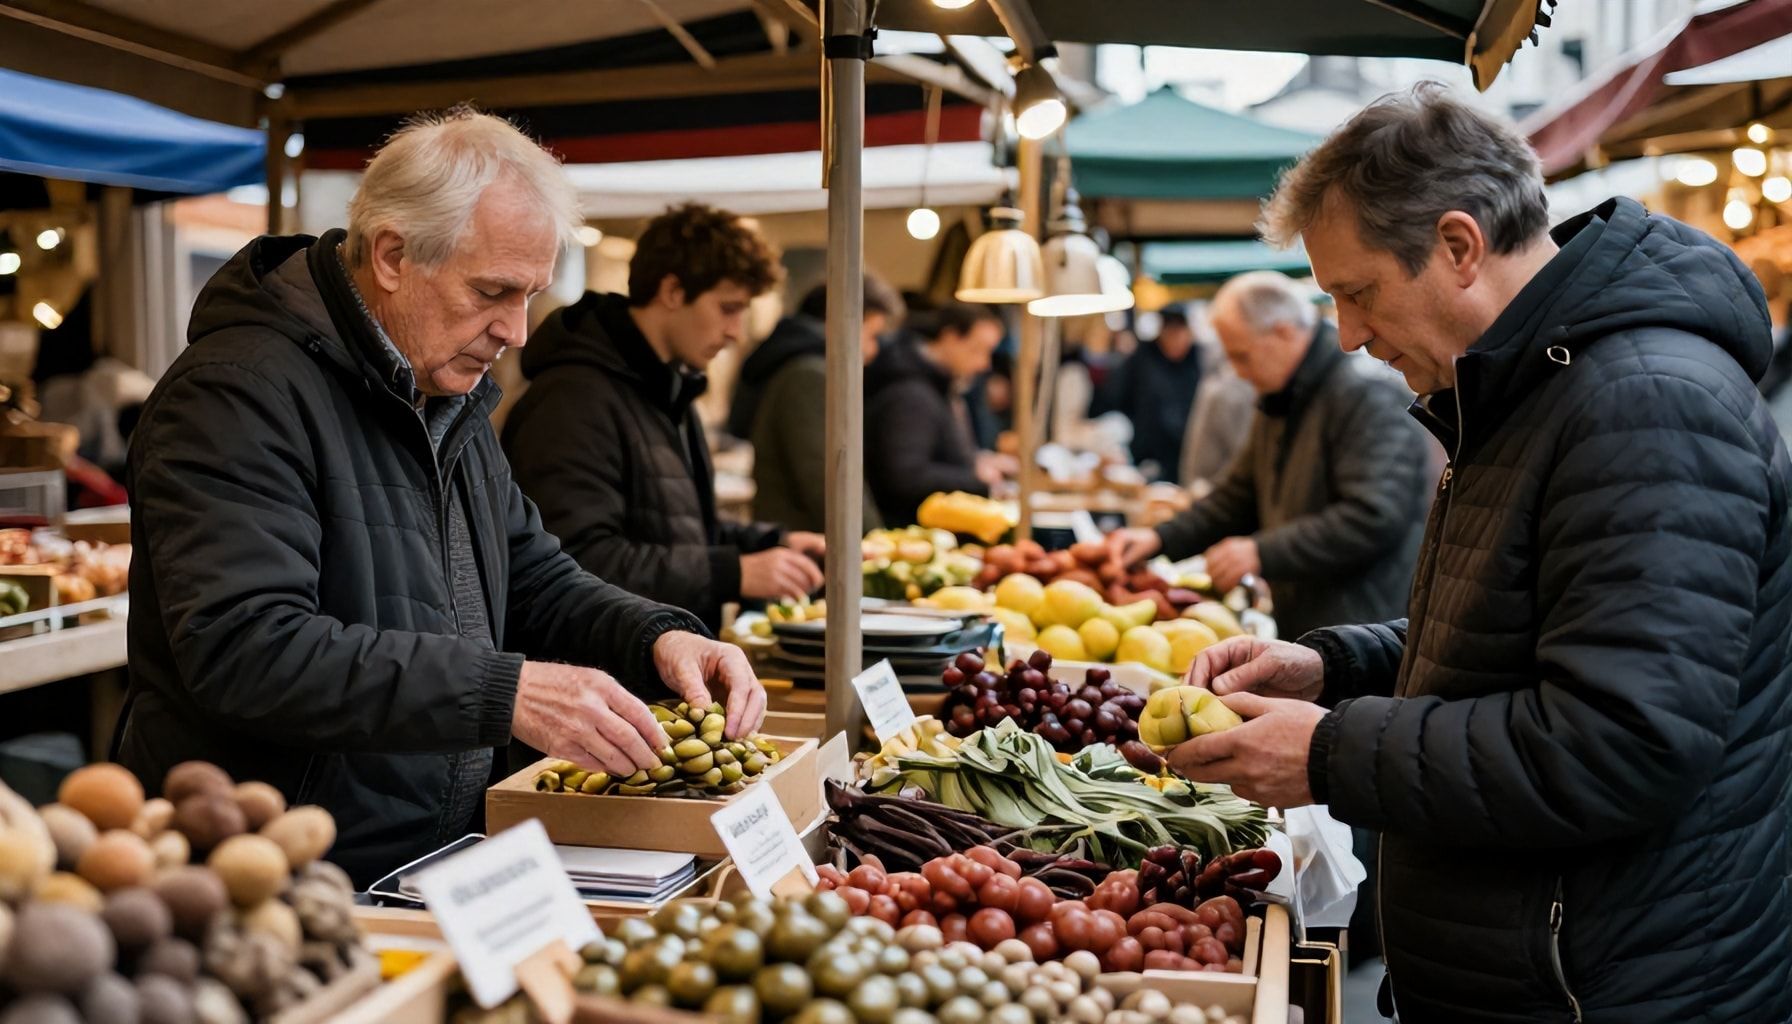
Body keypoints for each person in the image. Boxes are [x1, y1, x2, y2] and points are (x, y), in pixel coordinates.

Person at [1170, 85, 1792, 1023]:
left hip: (1610, 987)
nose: (1348, 335)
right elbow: (1518, 633)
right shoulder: (1535, 388)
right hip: (1540, 968)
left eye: (1357, 291)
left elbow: (1621, 742)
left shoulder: (1644, 402)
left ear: (1459, 246)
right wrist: (1330, 666)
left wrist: (1332, 752)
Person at [116, 109, 766, 887]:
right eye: (493, 291)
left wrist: (655, 638)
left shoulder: (444, 392)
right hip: (277, 871)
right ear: (392, 255)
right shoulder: (236, 394)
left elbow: (532, 575)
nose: (518, 331)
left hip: (433, 859)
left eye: (530, 294)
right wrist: (507, 691)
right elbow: (246, 647)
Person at [502, 203, 824, 632]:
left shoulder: (668, 389)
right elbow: (575, 563)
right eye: (728, 308)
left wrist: (770, 544)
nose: (737, 332)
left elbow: (675, 529)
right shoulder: (571, 400)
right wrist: (734, 571)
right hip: (602, 677)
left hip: (659, 662)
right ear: (672, 291)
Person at [1107, 271, 1429, 641]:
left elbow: (1373, 516)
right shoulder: (1279, 397)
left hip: (1366, 630)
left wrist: (1261, 551)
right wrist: (1159, 539)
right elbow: (1237, 495)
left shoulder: (1364, 393)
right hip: (1312, 624)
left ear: (1282, 332)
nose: (1240, 374)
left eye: (1242, 357)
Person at [728, 275, 905, 533]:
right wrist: (874, 543)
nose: (873, 350)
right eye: (872, 335)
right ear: (843, 323)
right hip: (808, 547)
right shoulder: (811, 375)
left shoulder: (797, 363)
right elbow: (830, 480)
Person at [864, 302, 1011, 525]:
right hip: (909, 531)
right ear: (951, 337)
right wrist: (975, 478)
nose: (984, 364)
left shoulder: (939, 387)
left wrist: (977, 461)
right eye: (978, 349)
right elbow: (907, 475)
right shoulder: (911, 394)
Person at [1094, 305, 1203, 483]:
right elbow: (1113, 401)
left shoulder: (1197, 361)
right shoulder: (1141, 359)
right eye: (1171, 332)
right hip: (1145, 462)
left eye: (1181, 332)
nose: (1176, 340)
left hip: (1186, 461)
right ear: (1161, 332)